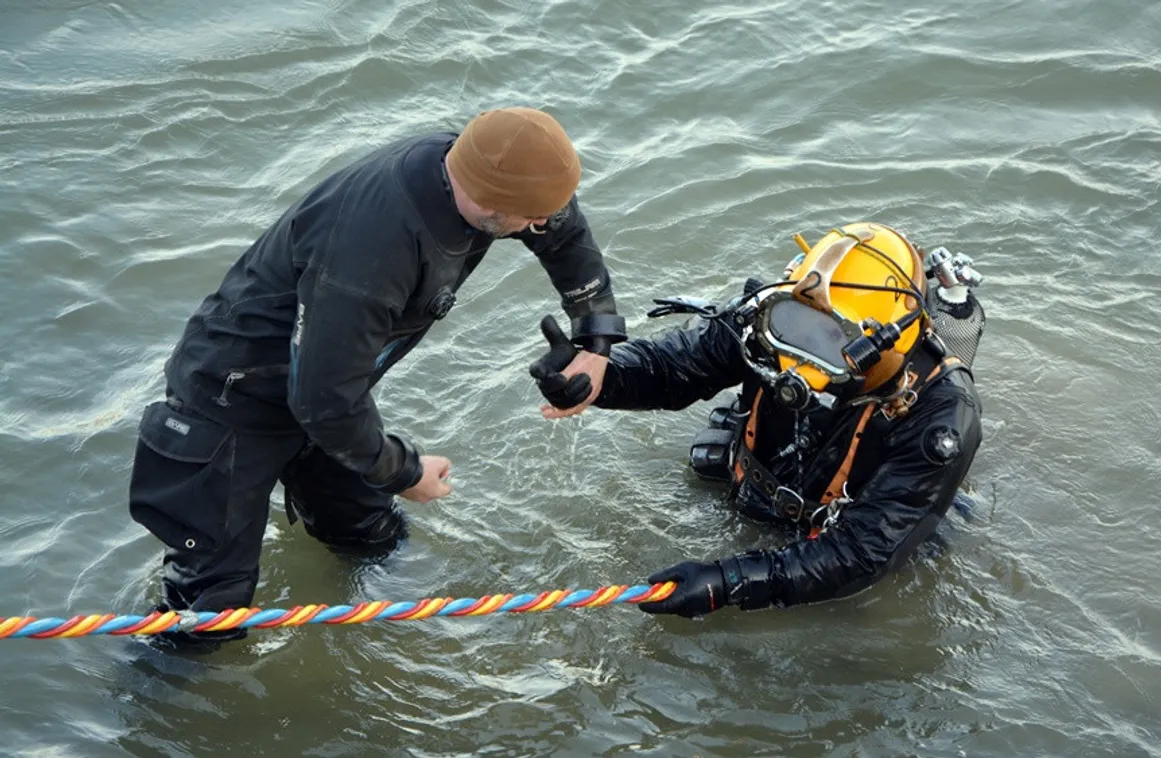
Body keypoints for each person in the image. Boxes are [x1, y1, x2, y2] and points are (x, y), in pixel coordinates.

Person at [129, 107, 627, 643]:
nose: (540, 228)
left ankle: (381, 636)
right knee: (208, 613)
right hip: (232, 402)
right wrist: (405, 471)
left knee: (372, 536)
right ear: (487, 203)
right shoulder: (373, 247)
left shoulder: (483, 169)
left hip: (332, 387)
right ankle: (160, 704)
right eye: (529, 220)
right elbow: (323, 401)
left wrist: (594, 339)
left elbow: (562, 229)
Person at [530, 222, 985, 617]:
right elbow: (675, 368)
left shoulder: (942, 416)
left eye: (830, 339)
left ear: (883, 346)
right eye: (797, 324)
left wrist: (728, 584)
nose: (796, 358)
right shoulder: (765, 326)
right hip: (759, 488)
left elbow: (861, 554)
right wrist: (599, 376)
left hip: (854, 523)